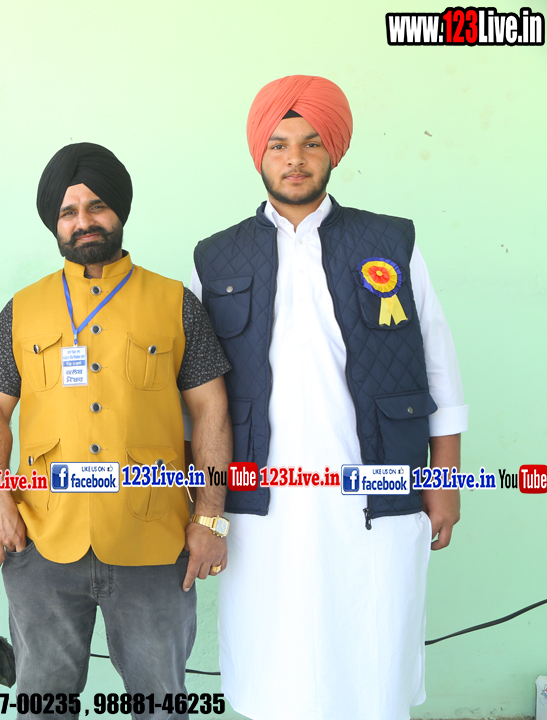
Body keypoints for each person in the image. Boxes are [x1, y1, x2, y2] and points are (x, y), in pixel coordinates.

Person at [190, 75, 466, 720]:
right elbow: (196, 393)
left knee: (375, 647)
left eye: (312, 143)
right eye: (280, 144)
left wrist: (446, 482)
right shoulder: (214, 256)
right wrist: (203, 507)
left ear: (333, 150)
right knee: (273, 654)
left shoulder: (390, 243)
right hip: (262, 498)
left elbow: (439, 367)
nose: (295, 158)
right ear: (259, 153)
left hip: (377, 488)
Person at [0, 142, 233, 720]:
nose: (83, 221)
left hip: (154, 542)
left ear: (119, 211)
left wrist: (210, 517)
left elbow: (211, 411)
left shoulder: (175, 303)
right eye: (68, 212)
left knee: (161, 705)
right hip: (43, 541)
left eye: (96, 206)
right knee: (42, 705)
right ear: (54, 223)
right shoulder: (24, 309)